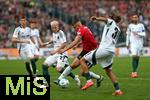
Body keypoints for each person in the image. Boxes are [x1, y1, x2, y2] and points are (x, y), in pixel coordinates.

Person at [80, 10, 123, 96]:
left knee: (82, 60)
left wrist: (96, 18)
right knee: (108, 71)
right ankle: (118, 90)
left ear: (112, 17)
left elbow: (105, 20)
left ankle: (89, 81)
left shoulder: (111, 22)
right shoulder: (118, 29)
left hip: (104, 49)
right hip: (111, 51)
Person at [54, 19, 104, 88]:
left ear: (77, 25)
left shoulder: (81, 30)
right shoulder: (85, 28)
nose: (75, 29)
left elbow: (75, 41)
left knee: (83, 72)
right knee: (73, 65)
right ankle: (59, 79)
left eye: (75, 27)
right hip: (85, 51)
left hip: (92, 53)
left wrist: (64, 49)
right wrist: (78, 44)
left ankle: (98, 78)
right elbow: (87, 39)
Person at [42, 20, 80, 87]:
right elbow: (54, 40)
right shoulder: (54, 33)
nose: (54, 29)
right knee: (44, 65)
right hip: (56, 53)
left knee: (59, 69)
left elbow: (64, 44)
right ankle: (46, 83)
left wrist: (55, 51)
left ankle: (75, 77)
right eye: (52, 27)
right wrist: (46, 43)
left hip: (62, 53)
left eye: (55, 27)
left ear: (58, 26)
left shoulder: (61, 33)